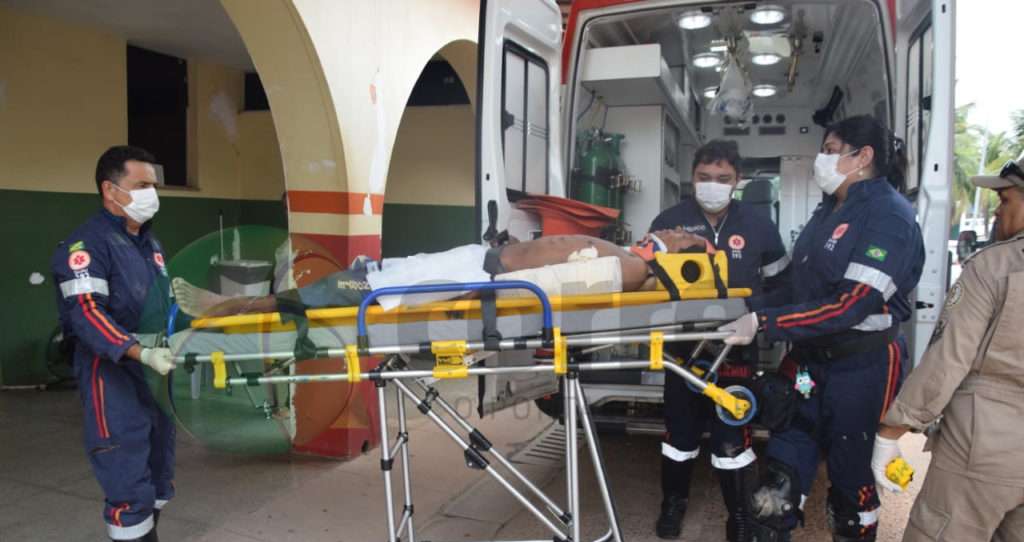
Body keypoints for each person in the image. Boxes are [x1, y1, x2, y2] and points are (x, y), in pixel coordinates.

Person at [693, 114, 925, 542]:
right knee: (779, 474)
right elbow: (797, 291)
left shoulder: (890, 216)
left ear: (862, 157)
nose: (824, 158)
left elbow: (852, 304)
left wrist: (764, 323)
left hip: (861, 366)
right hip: (808, 366)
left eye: (832, 148)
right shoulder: (828, 212)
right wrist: (732, 308)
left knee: (849, 482)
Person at [851, 155, 1024, 542]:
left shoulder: (999, 266)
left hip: (986, 439)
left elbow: (951, 358)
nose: (998, 210)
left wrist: (894, 427)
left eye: (1007, 198)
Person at [50, 146, 186, 542]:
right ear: (111, 190)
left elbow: (164, 302)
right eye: (143, 185)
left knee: (158, 470)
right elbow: (87, 314)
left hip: (152, 376)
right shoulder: (85, 247)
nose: (151, 194)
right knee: (127, 477)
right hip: (112, 375)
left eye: (153, 185)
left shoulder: (149, 243)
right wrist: (140, 350)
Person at [648, 140, 790, 542]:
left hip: (736, 349)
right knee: (679, 437)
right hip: (682, 349)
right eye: (705, 178)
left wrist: (757, 319)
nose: (713, 186)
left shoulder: (759, 226)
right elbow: (647, 285)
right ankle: (673, 503)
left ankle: (740, 525)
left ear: (738, 182)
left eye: (723, 179)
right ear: (692, 178)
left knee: (733, 440)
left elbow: (782, 286)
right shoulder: (668, 223)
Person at [170, 228, 710, 318]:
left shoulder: (634, 269)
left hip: (466, 279)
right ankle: (225, 304)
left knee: (333, 291)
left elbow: (550, 288)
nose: (683, 231)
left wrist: (487, 295)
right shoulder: (631, 257)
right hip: (469, 262)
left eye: (691, 241)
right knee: (358, 278)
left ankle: (222, 307)